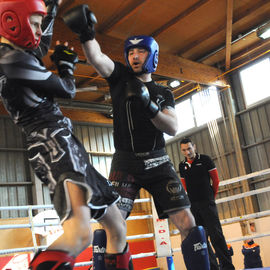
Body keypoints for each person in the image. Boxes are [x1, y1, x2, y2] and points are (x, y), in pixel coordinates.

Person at [63, 4, 211, 270]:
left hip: (158, 163)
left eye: (140, 50)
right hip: (125, 164)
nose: (134, 56)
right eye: (130, 51)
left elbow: (172, 127)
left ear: (151, 55)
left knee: (188, 223)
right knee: (111, 226)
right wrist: (86, 34)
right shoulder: (119, 78)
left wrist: (148, 105)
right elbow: (98, 58)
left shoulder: (163, 93)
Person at [0, 1, 132, 269]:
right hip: (52, 143)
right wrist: (66, 65)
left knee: (117, 226)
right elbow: (66, 89)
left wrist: (52, 4)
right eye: (33, 24)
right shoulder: (11, 59)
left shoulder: (18, 52)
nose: (38, 30)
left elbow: (42, 40)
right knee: (80, 232)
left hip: (64, 141)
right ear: (13, 22)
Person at [179, 138, 235, 270]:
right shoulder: (182, 166)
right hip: (193, 205)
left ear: (194, 146)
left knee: (217, 236)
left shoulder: (205, 160)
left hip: (207, 203)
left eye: (189, 148)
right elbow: (184, 185)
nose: (187, 152)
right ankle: (213, 267)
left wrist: (211, 197)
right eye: (184, 150)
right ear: (182, 151)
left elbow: (215, 180)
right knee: (202, 239)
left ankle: (227, 267)